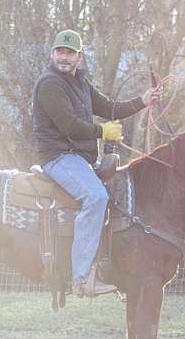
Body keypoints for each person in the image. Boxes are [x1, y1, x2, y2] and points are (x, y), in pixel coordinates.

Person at [32, 29, 161, 297]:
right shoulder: (50, 83)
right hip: (58, 156)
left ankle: (109, 265)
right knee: (96, 197)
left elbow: (110, 108)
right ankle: (81, 278)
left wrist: (142, 100)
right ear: (52, 53)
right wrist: (104, 132)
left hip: (78, 158)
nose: (65, 58)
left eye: (71, 53)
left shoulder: (80, 83)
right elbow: (68, 125)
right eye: (60, 52)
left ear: (80, 57)